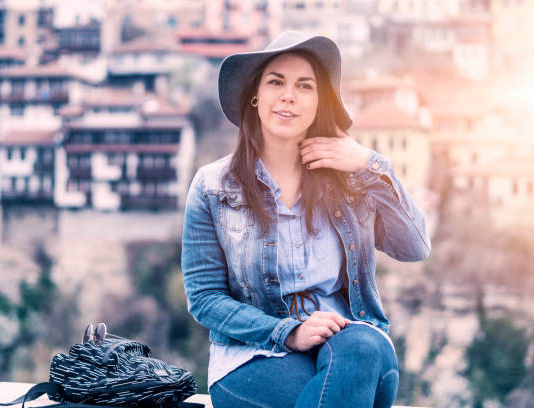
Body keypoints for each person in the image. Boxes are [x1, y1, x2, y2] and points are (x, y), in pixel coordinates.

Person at [181, 31, 430, 408]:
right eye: (276, 82)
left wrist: (372, 165)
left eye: (304, 86)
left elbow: (414, 247)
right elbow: (204, 298)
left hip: (352, 351)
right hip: (253, 357)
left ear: (319, 102)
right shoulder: (213, 187)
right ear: (255, 95)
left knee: (361, 347)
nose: (288, 95)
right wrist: (287, 332)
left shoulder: (352, 180)